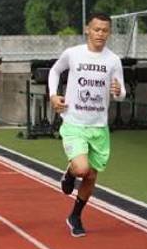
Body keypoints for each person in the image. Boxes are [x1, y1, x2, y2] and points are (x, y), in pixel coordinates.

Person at [48, 13, 126, 237]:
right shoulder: (73, 53)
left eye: (105, 30)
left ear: (109, 33)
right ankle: (72, 172)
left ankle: (75, 216)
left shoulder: (113, 60)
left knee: (91, 176)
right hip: (74, 122)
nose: (100, 34)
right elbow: (55, 70)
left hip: (99, 127)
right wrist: (53, 95)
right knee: (82, 168)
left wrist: (118, 91)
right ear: (87, 30)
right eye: (96, 29)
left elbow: (121, 92)